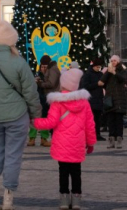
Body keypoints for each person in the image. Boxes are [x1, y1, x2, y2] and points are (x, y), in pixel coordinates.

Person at [0, 20, 41, 210]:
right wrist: (35, 115)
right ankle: (8, 199)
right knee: (12, 156)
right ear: (12, 43)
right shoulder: (19, 63)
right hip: (16, 116)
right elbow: (30, 92)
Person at [34, 68, 96, 210]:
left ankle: (63, 199)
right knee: (76, 172)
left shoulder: (57, 102)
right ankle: (76, 200)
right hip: (77, 144)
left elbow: (51, 122)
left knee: (63, 171)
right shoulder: (84, 103)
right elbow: (90, 125)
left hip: (62, 144)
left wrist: (35, 122)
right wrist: (91, 142)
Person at [98, 54, 127, 149]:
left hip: (119, 100)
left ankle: (119, 139)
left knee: (119, 122)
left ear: (118, 61)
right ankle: (111, 140)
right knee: (111, 121)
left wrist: (115, 73)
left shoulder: (123, 71)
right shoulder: (108, 71)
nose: (113, 62)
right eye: (112, 61)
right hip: (110, 100)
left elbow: (124, 79)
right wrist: (109, 72)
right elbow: (101, 81)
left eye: (115, 61)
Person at [32, 55, 59, 147]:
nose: (43, 68)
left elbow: (51, 83)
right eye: (42, 66)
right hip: (41, 97)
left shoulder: (52, 70)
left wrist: (40, 83)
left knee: (45, 117)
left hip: (48, 97)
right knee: (37, 117)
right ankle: (32, 138)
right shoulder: (38, 74)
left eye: (45, 66)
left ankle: (44, 138)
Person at [79, 57, 106, 141]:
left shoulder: (100, 74)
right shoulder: (88, 74)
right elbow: (85, 86)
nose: (98, 69)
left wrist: (103, 85)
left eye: (99, 67)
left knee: (98, 119)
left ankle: (97, 134)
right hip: (91, 100)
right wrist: (97, 84)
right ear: (93, 66)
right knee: (91, 119)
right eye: (97, 67)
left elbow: (104, 84)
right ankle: (90, 134)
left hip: (99, 99)